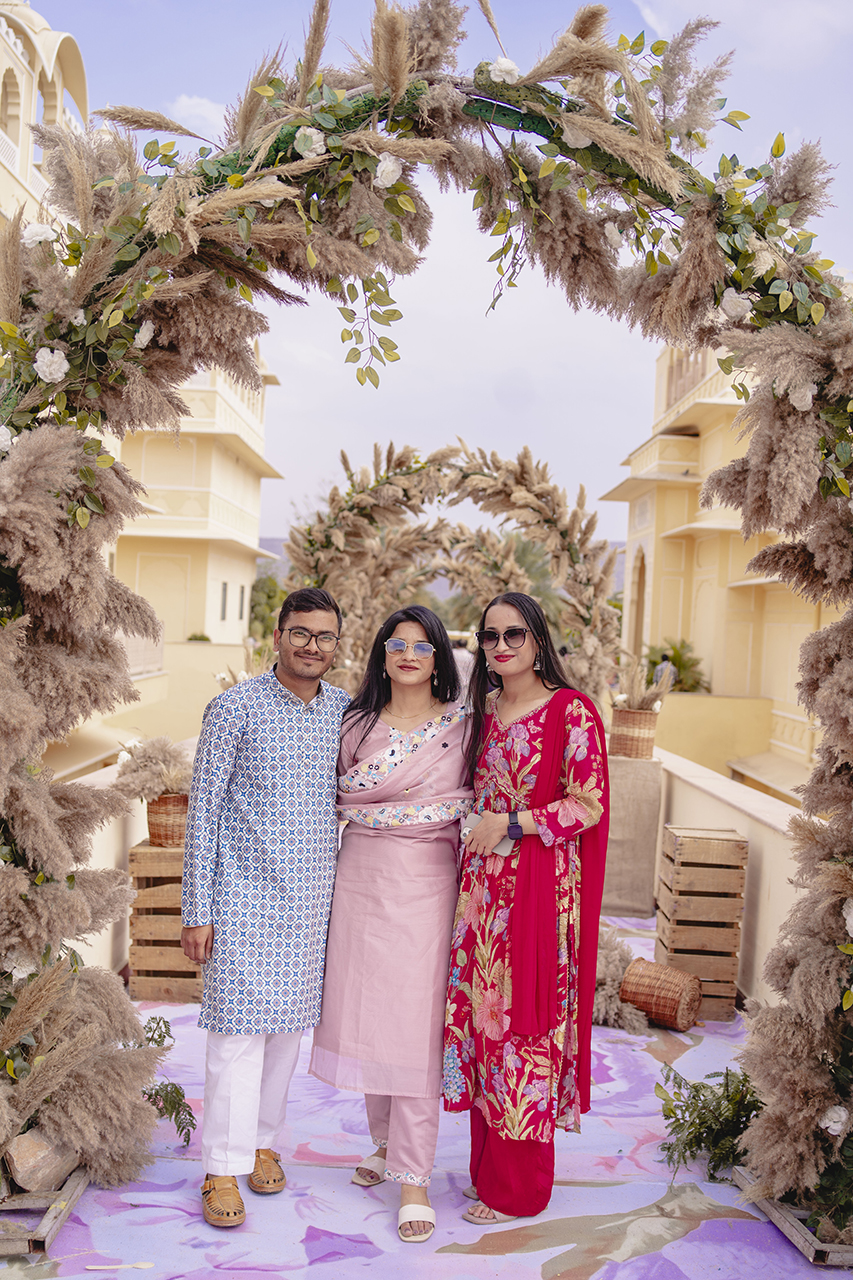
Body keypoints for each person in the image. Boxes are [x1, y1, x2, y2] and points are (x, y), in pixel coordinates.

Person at [181, 587, 350, 1229]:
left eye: (325, 636)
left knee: (286, 1036)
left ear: (337, 646)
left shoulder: (344, 713)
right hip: (241, 898)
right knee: (235, 1038)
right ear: (278, 636)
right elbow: (204, 812)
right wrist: (197, 909)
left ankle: (260, 1143)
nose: (312, 646)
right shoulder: (233, 708)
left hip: (311, 904)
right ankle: (220, 1168)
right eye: (300, 633)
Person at [443, 592, 609, 1224]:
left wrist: (514, 824)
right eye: (489, 637)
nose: (501, 646)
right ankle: (488, 1170)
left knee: (523, 1030)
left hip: (538, 892)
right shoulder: (484, 711)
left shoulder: (570, 711)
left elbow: (587, 804)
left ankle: (518, 1188)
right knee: (485, 1026)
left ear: (538, 639)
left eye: (514, 634)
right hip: (482, 896)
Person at [310, 605, 472, 1243]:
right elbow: (328, 800)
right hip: (359, 880)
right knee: (370, 1015)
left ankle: (413, 1178)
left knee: (414, 1028)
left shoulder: (462, 726)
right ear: (382, 655)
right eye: (397, 644)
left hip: (428, 883)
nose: (408, 655)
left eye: (422, 646)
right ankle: (382, 1144)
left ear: (438, 658)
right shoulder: (354, 725)